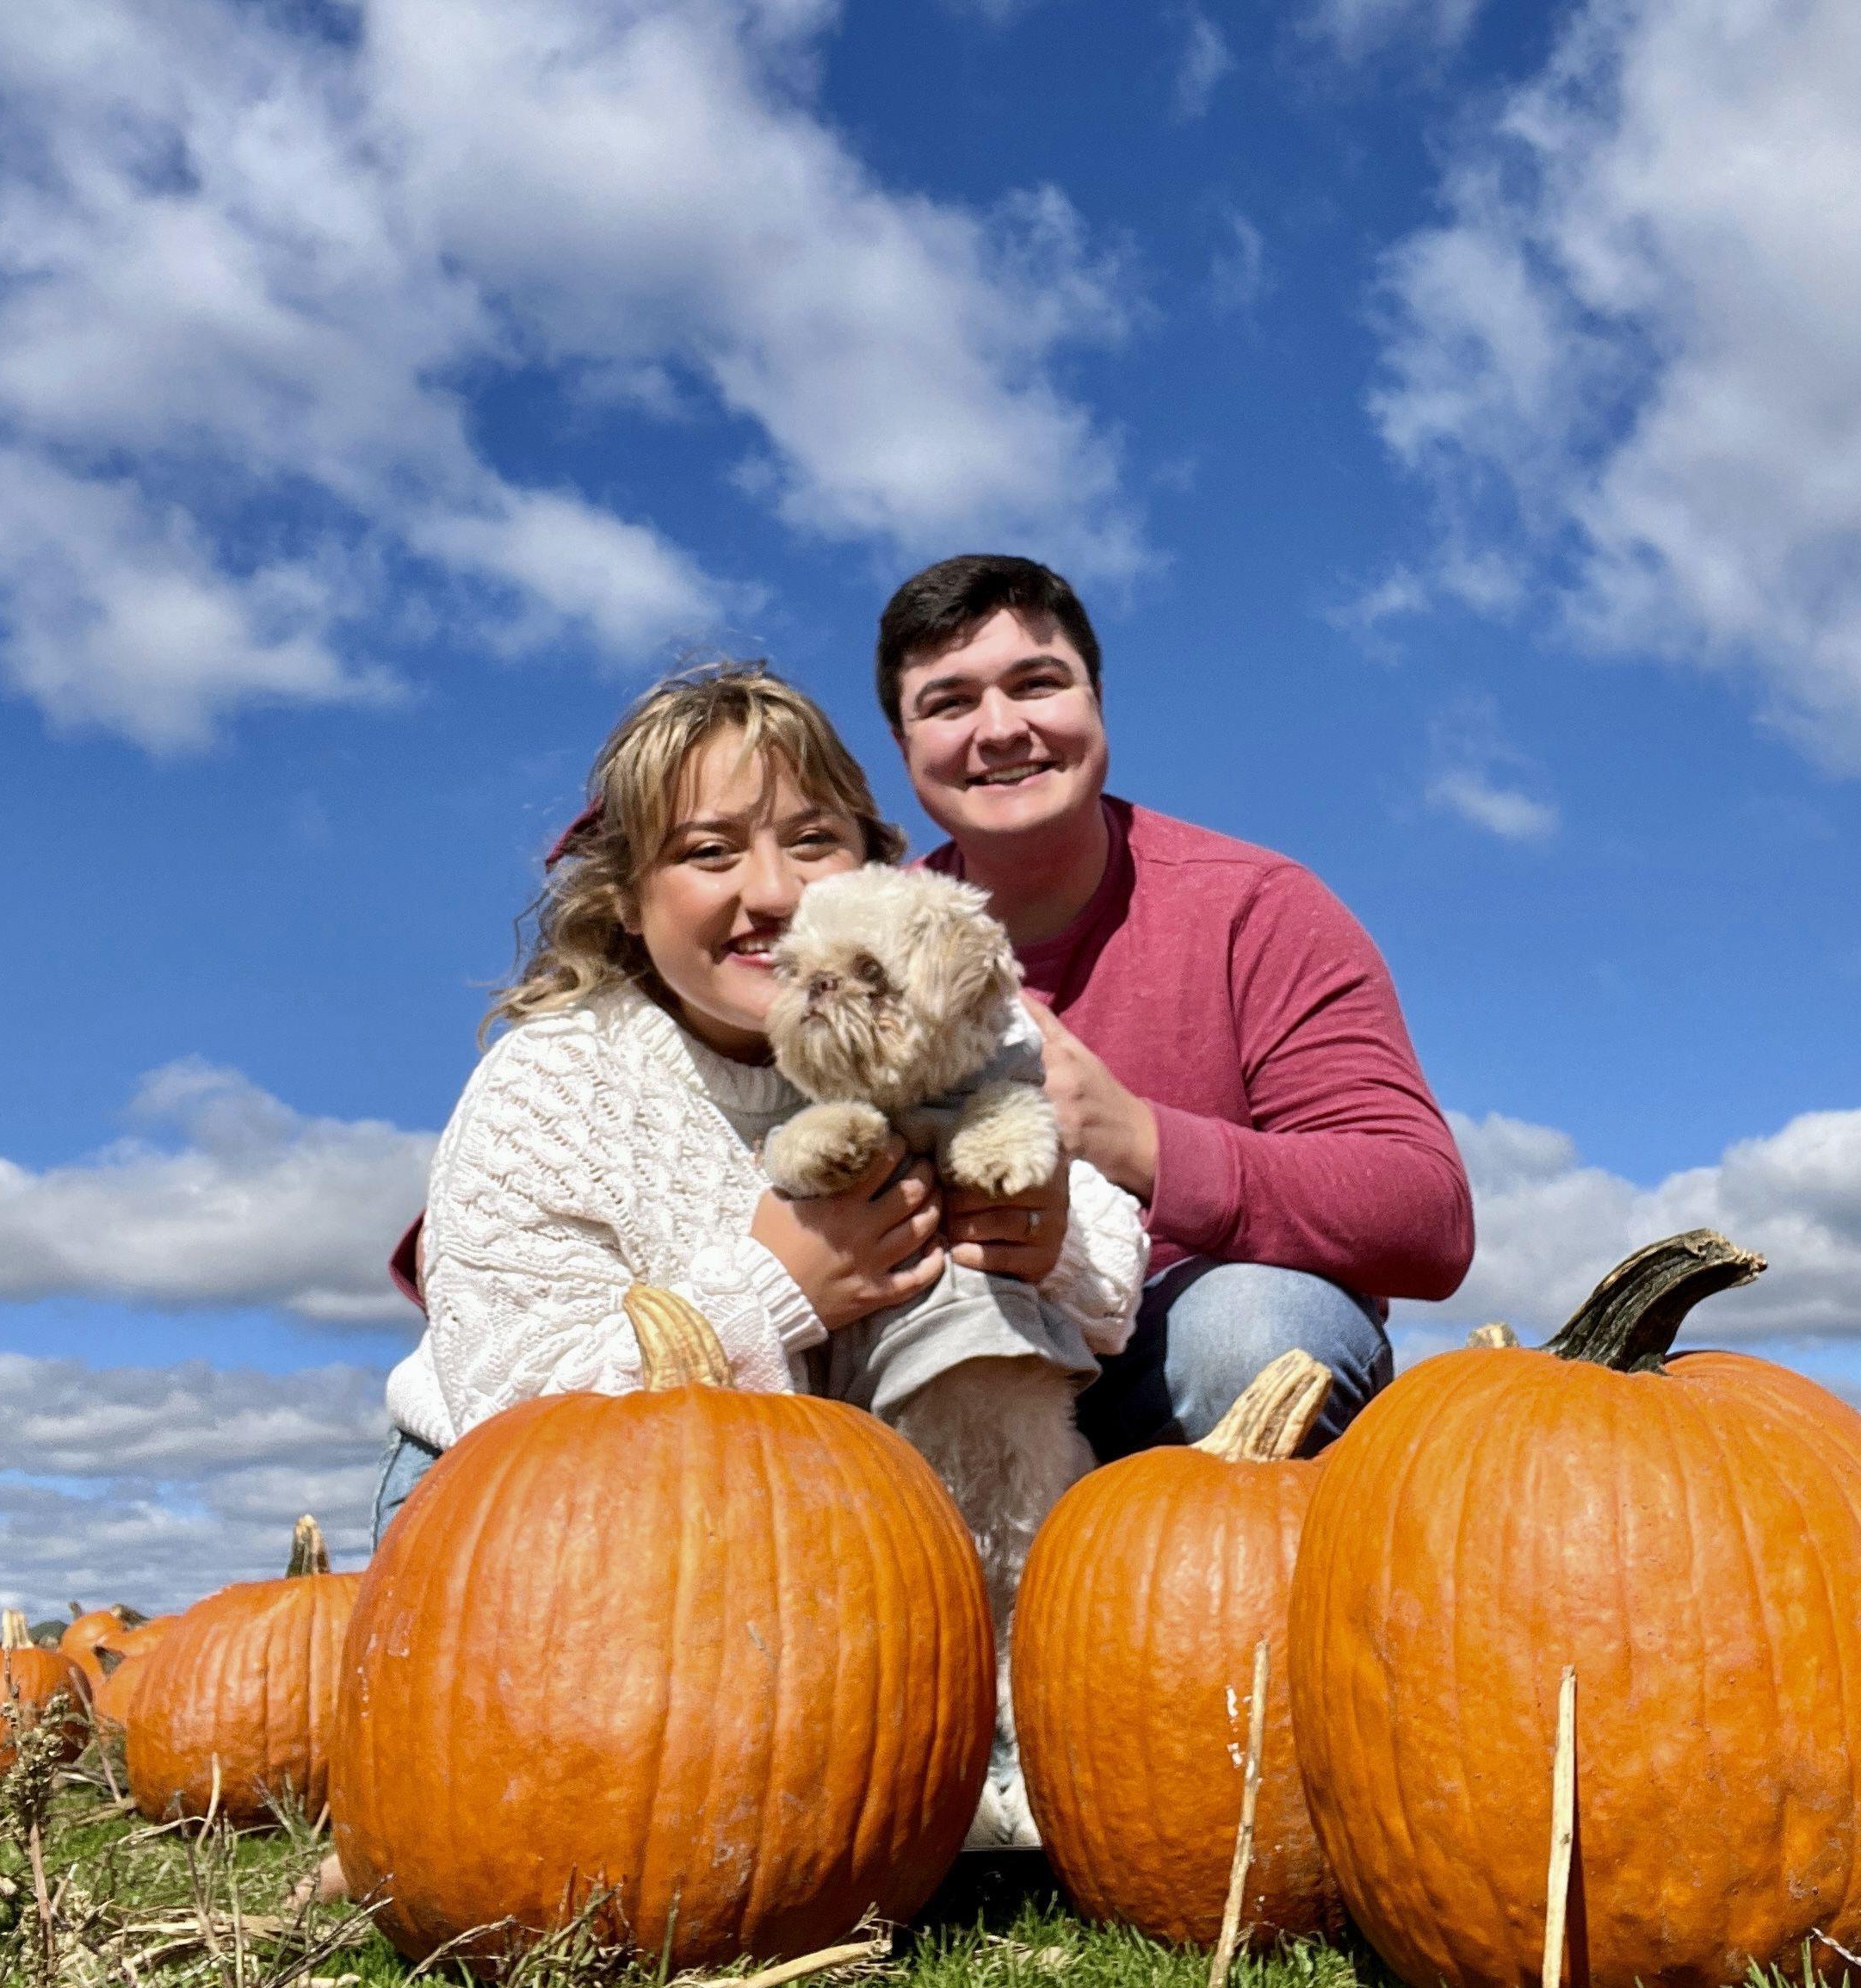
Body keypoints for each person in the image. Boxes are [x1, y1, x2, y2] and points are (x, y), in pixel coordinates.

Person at [374, 663, 1145, 1575]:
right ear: (626, 897)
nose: (773, 891)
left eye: (812, 838)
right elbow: (518, 1408)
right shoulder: (548, 1086)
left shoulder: (939, 1015)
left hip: (829, 1512)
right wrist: (778, 1287)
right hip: (546, 1530)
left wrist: (1043, 1235)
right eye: (709, 851)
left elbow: (1106, 1250)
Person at [877, 555, 1475, 1458]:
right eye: (949, 702)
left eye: (1036, 683)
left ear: (1096, 699)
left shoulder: (1256, 907)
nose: (1000, 730)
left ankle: (1209, 1592)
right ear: (902, 743)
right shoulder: (858, 938)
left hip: (1162, 1378)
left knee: (1255, 1327)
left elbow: (1424, 1214)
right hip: (941, 1366)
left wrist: (1141, 1142)